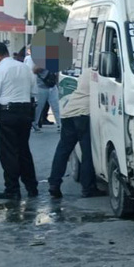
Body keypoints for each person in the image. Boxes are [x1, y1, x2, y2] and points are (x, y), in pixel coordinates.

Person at [0, 42, 38, 199]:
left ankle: (12, 188)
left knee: (9, 152)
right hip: (25, 111)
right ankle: (31, 186)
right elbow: (34, 91)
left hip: (7, 113)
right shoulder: (25, 68)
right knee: (24, 150)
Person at [48, 70, 101, 198]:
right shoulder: (101, 73)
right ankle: (88, 188)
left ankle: (54, 183)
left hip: (69, 112)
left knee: (63, 150)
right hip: (83, 113)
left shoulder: (87, 72)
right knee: (87, 152)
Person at [32, 66, 61, 132]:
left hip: (52, 86)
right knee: (39, 107)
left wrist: (57, 83)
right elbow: (34, 70)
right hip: (41, 87)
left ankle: (60, 124)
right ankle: (35, 123)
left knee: (56, 106)